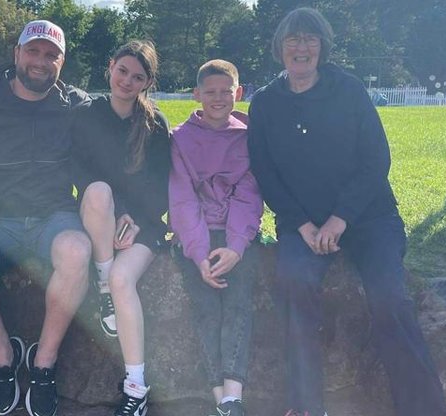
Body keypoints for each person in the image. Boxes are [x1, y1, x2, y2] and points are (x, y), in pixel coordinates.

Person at [246, 8, 446, 416]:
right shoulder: (265, 104)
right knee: (294, 281)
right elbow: (265, 174)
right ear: (279, 48)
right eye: (293, 39)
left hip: (368, 218)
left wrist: (340, 219)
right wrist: (304, 226)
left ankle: (423, 408)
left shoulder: (349, 90)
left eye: (310, 39)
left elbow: (376, 160)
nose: (301, 47)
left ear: (323, 47)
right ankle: (305, 406)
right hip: (301, 224)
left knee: (389, 295)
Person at [0, 20, 91, 416]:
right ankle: (3, 359)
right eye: (33, 51)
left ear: (61, 62)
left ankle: (43, 363)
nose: (41, 62)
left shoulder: (75, 105)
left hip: (55, 218)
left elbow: (121, 130)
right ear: (16, 54)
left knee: (78, 252)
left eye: (51, 55)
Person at [71, 40, 170, 416]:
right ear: (110, 67)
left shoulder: (153, 122)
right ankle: (102, 283)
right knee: (97, 192)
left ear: (147, 82)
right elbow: (77, 171)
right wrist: (118, 213)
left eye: (138, 77)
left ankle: (135, 387)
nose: (127, 81)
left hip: (143, 224)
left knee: (123, 281)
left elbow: (163, 186)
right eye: (122, 71)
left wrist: (137, 218)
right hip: (100, 219)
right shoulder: (86, 114)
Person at [169, 59, 262, 416]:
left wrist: (236, 247)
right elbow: (181, 199)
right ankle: (219, 396)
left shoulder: (249, 135)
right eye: (211, 92)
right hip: (196, 236)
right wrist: (199, 253)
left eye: (227, 91)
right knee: (207, 308)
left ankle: (233, 396)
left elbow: (250, 193)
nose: (219, 98)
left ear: (238, 93)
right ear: (197, 95)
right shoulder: (180, 139)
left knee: (237, 303)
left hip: (236, 234)